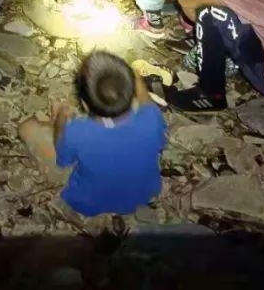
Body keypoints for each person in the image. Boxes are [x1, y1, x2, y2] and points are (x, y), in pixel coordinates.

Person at [18, 51, 167, 217]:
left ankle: (49, 124)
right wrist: (135, 76)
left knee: (28, 128)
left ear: (85, 105)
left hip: (89, 203)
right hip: (144, 197)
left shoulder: (78, 131)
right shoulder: (151, 118)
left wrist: (60, 121)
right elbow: (145, 100)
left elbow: (63, 158)